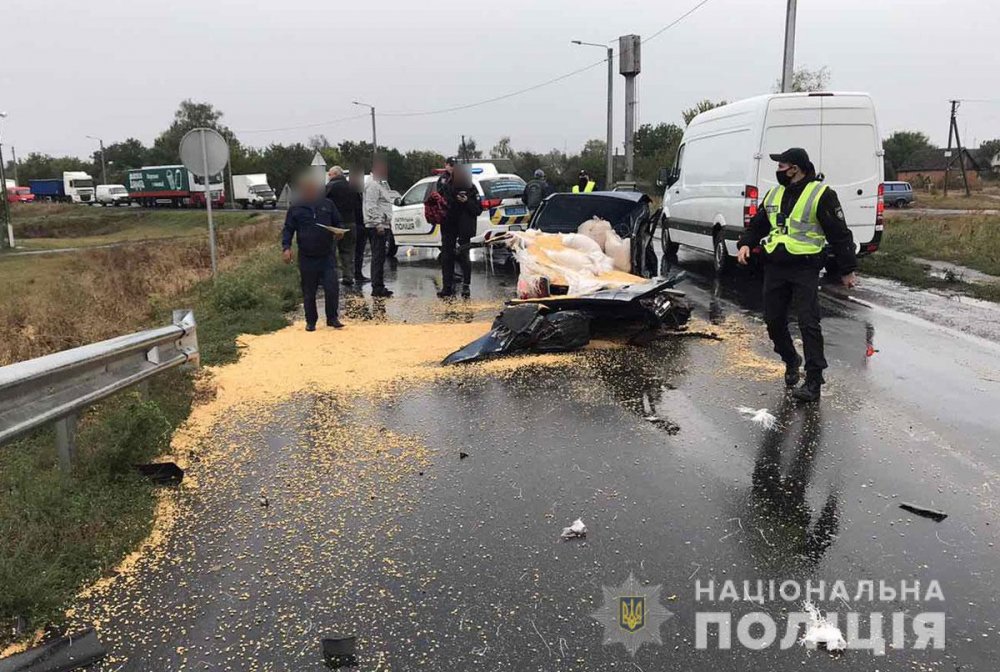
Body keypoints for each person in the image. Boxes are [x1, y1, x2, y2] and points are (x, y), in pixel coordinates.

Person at [736, 147, 857, 402]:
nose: (778, 170)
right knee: (773, 321)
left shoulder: (821, 194)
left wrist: (847, 270)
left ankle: (813, 381)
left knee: (808, 323)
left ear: (795, 169)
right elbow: (758, 224)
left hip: (805, 266)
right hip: (775, 266)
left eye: (781, 166)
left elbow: (839, 233)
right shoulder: (774, 193)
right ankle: (791, 359)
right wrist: (745, 243)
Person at [282, 175, 345, 330]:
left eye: (313, 190)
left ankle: (332, 318)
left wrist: (340, 231)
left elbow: (338, 222)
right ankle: (311, 321)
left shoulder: (328, 204)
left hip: (327, 255)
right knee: (309, 291)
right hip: (307, 256)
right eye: (307, 190)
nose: (310, 192)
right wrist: (286, 248)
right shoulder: (296, 208)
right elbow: (288, 229)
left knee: (332, 288)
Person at [438, 165, 483, 299]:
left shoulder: (471, 189)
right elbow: (441, 205)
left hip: (464, 228)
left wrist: (467, 201)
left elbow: (478, 209)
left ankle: (466, 286)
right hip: (449, 226)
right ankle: (447, 287)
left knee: (464, 256)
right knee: (447, 256)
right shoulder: (446, 187)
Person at [363, 156, 394, 298]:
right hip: (376, 226)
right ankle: (377, 287)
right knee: (377, 256)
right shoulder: (373, 185)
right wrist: (378, 223)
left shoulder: (380, 184)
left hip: (382, 224)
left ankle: (379, 285)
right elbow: (371, 205)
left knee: (380, 257)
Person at [325, 166, 359, 287]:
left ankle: (330, 277)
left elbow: (322, 204)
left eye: (329, 175)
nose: (328, 177)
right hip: (351, 222)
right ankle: (348, 276)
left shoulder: (329, 187)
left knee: (330, 251)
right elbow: (358, 205)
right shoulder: (353, 187)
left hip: (334, 225)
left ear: (334, 174)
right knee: (348, 251)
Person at [349, 169, 369, 284]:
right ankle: (355, 273)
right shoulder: (351, 192)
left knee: (359, 252)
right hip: (356, 224)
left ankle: (357, 273)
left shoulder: (360, 192)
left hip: (361, 224)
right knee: (356, 251)